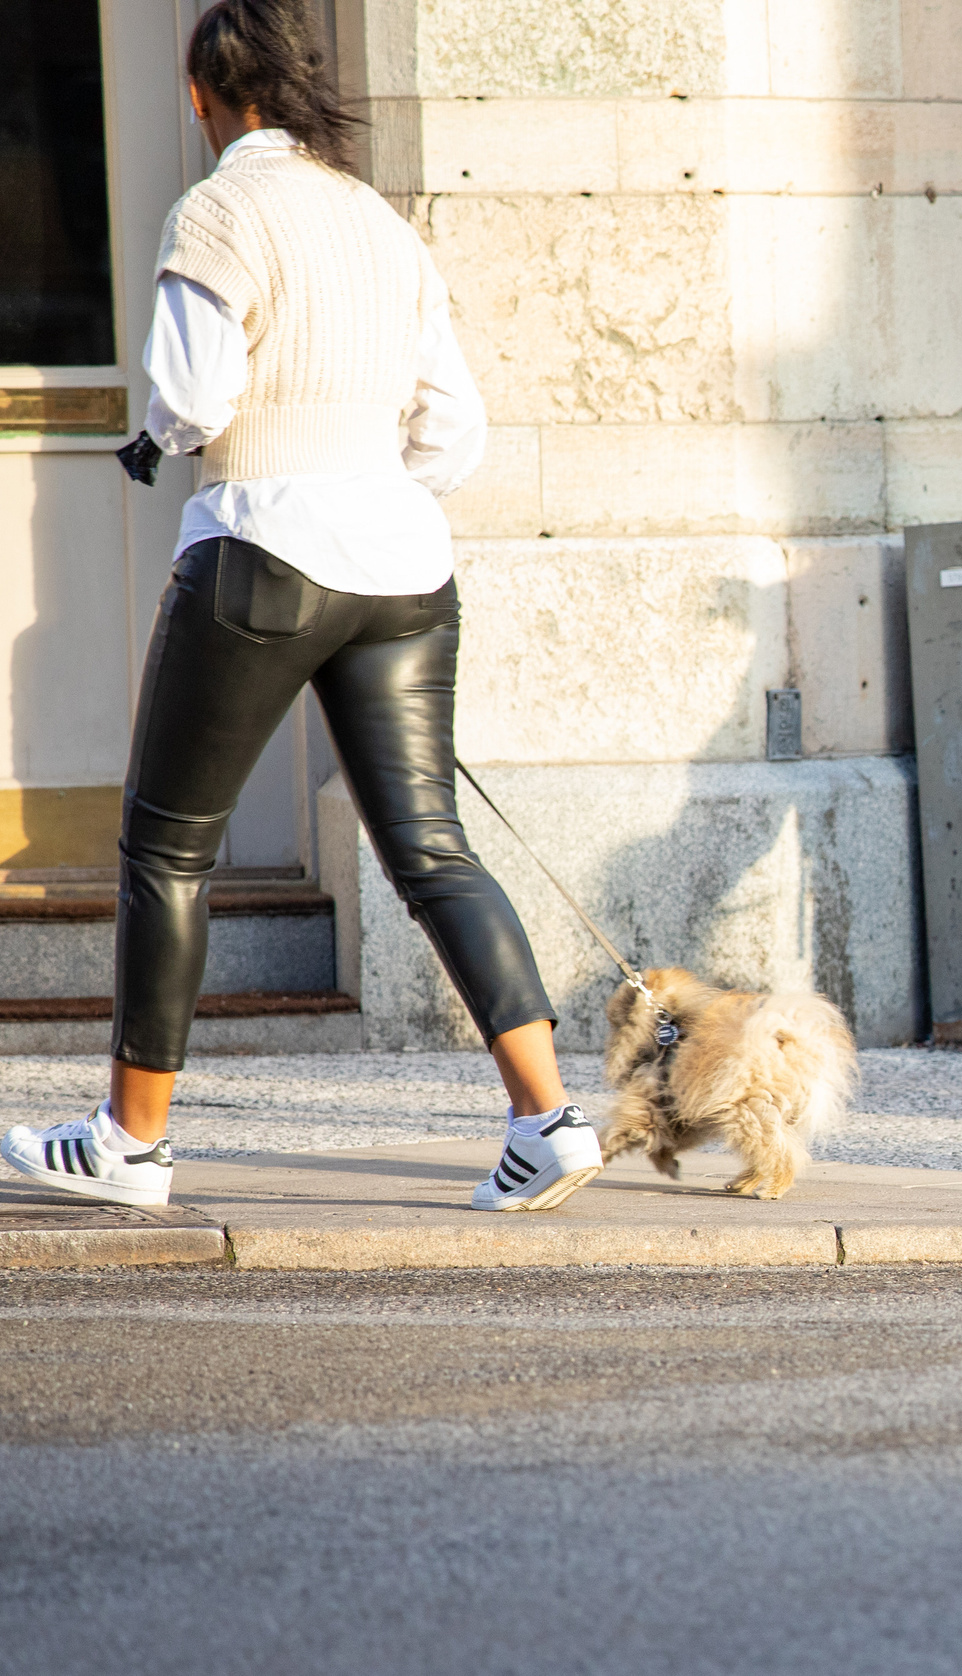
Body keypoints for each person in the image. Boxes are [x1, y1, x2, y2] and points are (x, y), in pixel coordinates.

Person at [0, 0, 600, 1212]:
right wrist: (369, 492)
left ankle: (133, 1142)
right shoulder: (380, 223)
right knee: (432, 848)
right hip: (403, 566)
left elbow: (189, 393)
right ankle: (548, 1116)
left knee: (168, 847)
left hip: (263, 550)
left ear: (201, 95)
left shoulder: (220, 209)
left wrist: (159, 443)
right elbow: (454, 427)